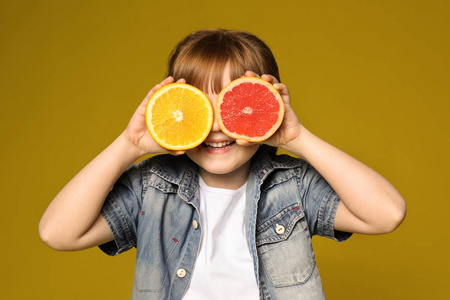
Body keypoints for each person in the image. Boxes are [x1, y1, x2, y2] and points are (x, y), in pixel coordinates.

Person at [39, 29, 406, 299]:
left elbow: (386, 213)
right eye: (200, 107)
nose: (216, 126)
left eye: (234, 106)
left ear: (266, 108)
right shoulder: (153, 190)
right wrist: (128, 145)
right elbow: (57, 233)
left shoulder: (291, 187)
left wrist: (298, 139)